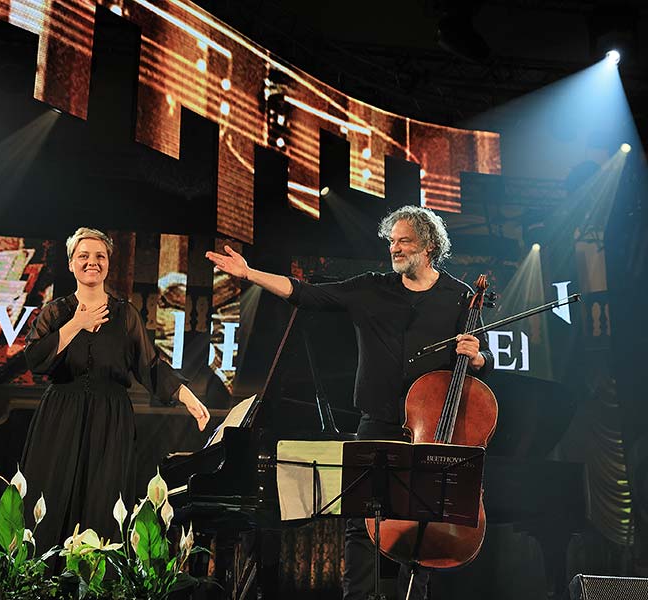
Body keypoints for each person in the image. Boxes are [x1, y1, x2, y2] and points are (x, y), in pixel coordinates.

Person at [206, 205, 494, 600]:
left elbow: (482, 358)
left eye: (404, 241)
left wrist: (478, 356)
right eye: (391, 241)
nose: (394, 248)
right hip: (376, 425)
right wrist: (250, 273)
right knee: (359, 528)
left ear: (428, 246)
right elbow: (304, 293)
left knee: (422, 530)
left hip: (433, 434)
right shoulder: (370, 288)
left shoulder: (461, 297)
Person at [21, 227, 210, 551]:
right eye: (83, 256)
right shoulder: (55, 312)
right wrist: (76, 324)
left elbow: (150, 366)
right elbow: (36, 360)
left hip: (111, 420)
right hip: (60, 417)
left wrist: (187, 396)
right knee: (49, 497)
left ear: (108, 263)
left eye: (100, 256)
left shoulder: (125, 314)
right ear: (71, 264)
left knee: (102, 502)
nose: (91, 262)